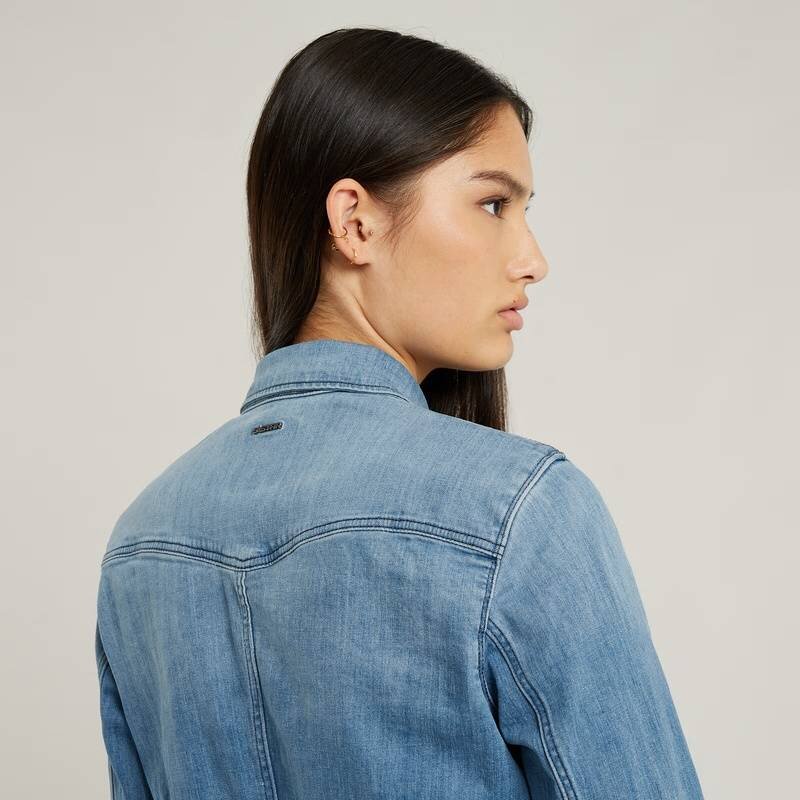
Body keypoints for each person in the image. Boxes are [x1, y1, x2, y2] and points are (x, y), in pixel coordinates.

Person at [95, 26, 705, 800]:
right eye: (493, 204)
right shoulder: (519, 514)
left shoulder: (140, 544)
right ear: (355, 221)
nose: (533, 259)